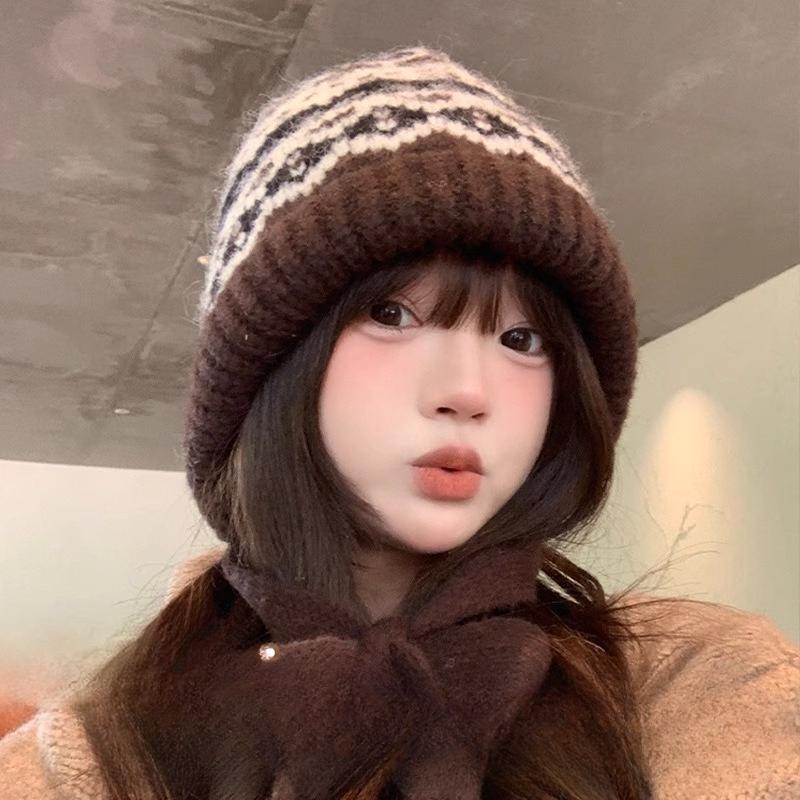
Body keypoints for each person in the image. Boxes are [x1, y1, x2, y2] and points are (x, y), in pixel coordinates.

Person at [1, 45, 797, 800]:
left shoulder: (701, 684)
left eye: (522, 340)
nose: (467, 392)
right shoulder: (86, 754)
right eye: (391, 315)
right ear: (273, 369)